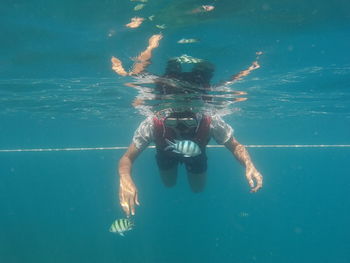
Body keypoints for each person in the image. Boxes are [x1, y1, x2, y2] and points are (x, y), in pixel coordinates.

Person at [116, 58, 263, 217]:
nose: (180, 127)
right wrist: (124, 176)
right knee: (169, 184)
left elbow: (236, 146)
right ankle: (185, 65)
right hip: (166, 154)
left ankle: (189, 65)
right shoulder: (153, 122)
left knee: (198, 189)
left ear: (197, 116)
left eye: (188, 122)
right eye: (172, 122)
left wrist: (249, 164)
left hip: (196, 155)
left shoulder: (210, 120)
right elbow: (127, 158)